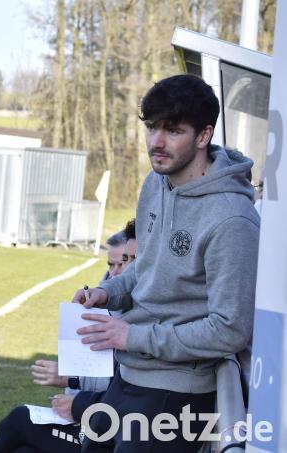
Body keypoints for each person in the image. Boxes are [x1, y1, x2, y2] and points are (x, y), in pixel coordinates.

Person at [73, 74, 260, 452]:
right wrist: (106, 293)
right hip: (128, 377)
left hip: (177, 398)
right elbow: (148, 269)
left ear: (203, 136)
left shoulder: (233, 220)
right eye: (151, 128)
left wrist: (134, 336)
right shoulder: (155, 183)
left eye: (172, 130)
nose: (156, 142)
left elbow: (230, 329)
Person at [0, 225, 134, 453]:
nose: (116, 272)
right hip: (95, 419)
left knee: (19, 419)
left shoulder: (142, 316)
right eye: (113, 264)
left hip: (106, 432)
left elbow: (124, 393)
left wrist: (77, 397)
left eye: (125, 262)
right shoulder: (112, 298)